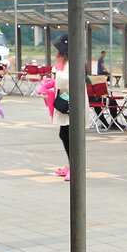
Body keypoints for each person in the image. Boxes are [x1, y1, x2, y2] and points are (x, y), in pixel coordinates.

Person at [51, 36, 71, 180]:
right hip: (67, 104)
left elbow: (65, 83)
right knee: (64, 134)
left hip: (72, 105)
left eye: (58, 52)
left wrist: (58, 71)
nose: (56, 55)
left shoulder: (71, 63)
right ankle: (71, 165)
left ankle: (75, 167)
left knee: (69, 136)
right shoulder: (66, 63)